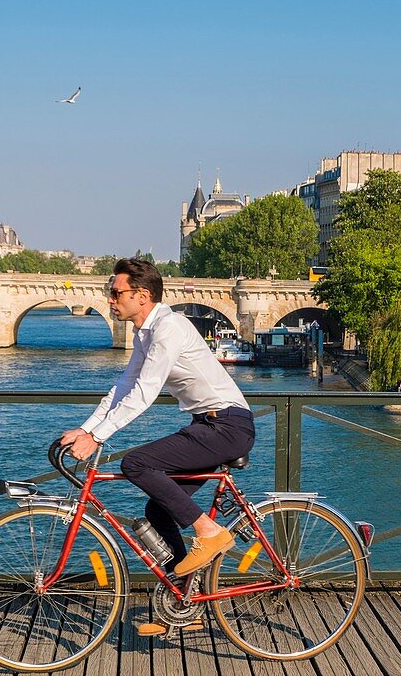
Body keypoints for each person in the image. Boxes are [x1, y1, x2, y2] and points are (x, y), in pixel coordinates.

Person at [59, 258, 255, 636]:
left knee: (136, 464)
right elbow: (123, 388)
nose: (110, 300)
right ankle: (187, 601)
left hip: (227, 426)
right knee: (158, 507)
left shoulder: (168, 329)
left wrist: (98, 437)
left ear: (142, 295)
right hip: (210, 424)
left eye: (115, 293)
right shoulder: (145, 333)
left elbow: (145, 394)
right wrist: (84, 428)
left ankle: (209, 532)